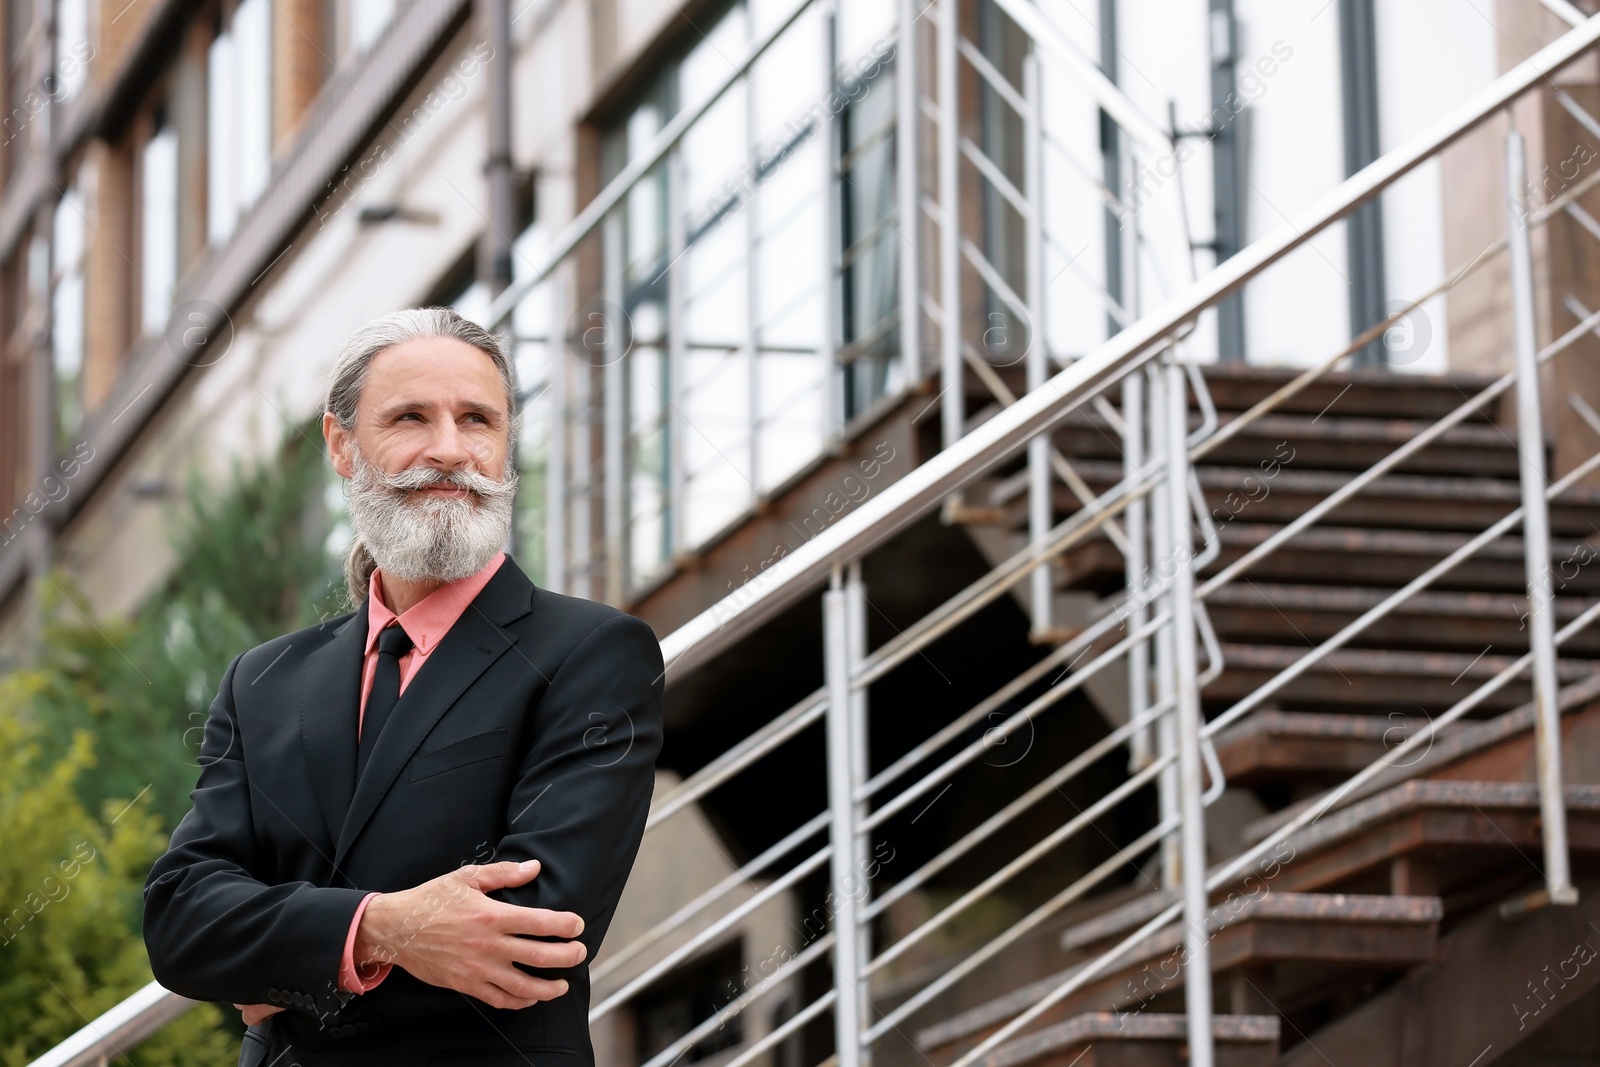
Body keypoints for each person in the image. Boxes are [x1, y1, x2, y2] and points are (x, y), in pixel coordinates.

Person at [144, 307, 664, 1067]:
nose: (449, 450)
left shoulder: (592, 653)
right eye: (411, 417)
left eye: (477, 419)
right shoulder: (262, 679)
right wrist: (383, 927)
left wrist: (286, 962)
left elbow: (532, 931)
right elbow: (181, 920)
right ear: (342, 445)